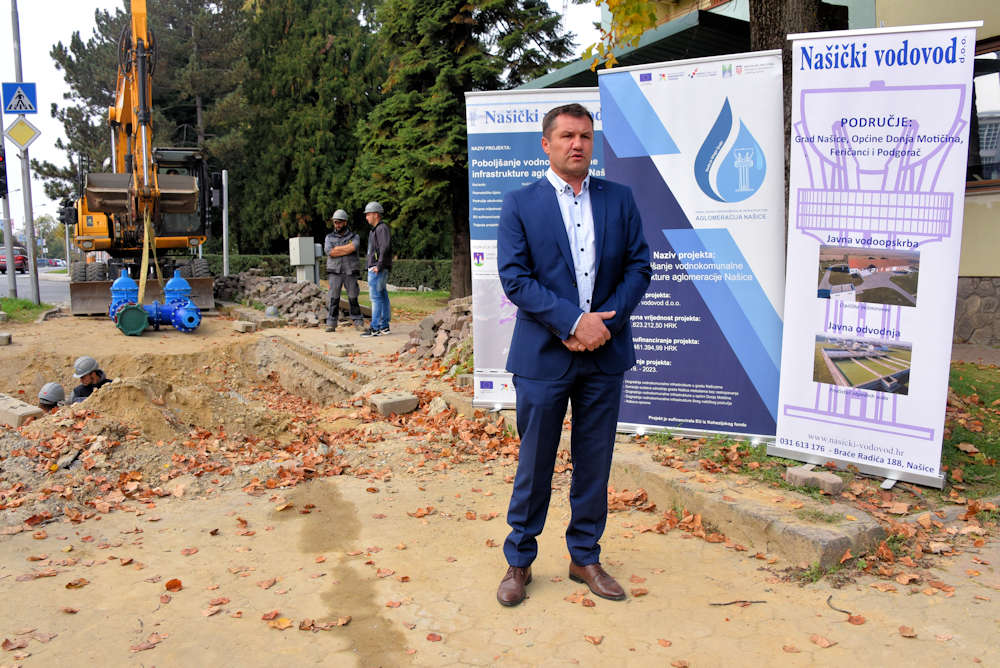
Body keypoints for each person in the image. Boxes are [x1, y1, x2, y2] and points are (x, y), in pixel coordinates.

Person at [494, 103, 651, 607]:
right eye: (566, 136)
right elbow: (515, 278)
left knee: (594, 461)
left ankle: (585, 556)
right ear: (547, 144)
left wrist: (605, 324)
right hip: (543, 355)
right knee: (535, 461)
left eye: (584, 135)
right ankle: (519, 560)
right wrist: (571, 322)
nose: (576, 143)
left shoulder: (618, 199)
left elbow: (639, 268)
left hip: (604, 354)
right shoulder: (520, 203)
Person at [323, 209, 364, 332]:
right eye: (335, 222)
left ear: (345, 222)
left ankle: (358, 322)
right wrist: (345, 249)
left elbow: (353, 247)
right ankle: (331, 324)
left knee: (353, 297)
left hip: (350, 271)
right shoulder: (329, 237)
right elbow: (330, 252)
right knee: (333, 298)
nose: (337, 225)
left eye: (339, 222)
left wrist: (337, 249)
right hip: (335, 272)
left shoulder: (354, 237)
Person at [361, 201, 392, 337]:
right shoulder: (377, 229)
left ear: (375, 214)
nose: (366, 217)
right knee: (382, 296)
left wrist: (378, 266)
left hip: (377, 269)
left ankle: (375, 328)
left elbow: (384, 247)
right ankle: (384, 326)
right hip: (378, 267)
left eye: (368, 214)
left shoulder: (381, 229)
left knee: (375, 298)